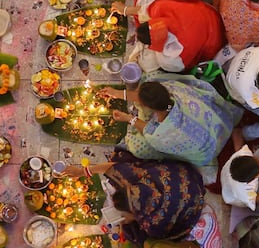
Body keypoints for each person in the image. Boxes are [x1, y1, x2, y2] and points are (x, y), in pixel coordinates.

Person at [102, 75, 242, 178]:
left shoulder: (159, 135)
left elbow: (146, 130)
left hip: (207, 151)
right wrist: (118, 93)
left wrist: (129, 118)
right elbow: (151, 98)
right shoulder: (173, 90)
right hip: (221, 125)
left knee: (136, 146)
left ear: (148, 107)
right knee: (149, 78)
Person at [69, 151, 206, 243]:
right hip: (186, 178)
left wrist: (131, 219)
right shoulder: (145, 179)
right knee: (125, 162)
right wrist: (82, 171)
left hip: (192, 203)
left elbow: (156, 235)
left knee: (135, 236)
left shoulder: (153, 221)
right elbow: (113, 168)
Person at [131, 0, 226, 73]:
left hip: (216, 38)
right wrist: (126, 10)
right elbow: (146, 10)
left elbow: (175, 67)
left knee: (146, 64)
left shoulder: (175, 57)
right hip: (209, 13)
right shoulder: (160, 8)